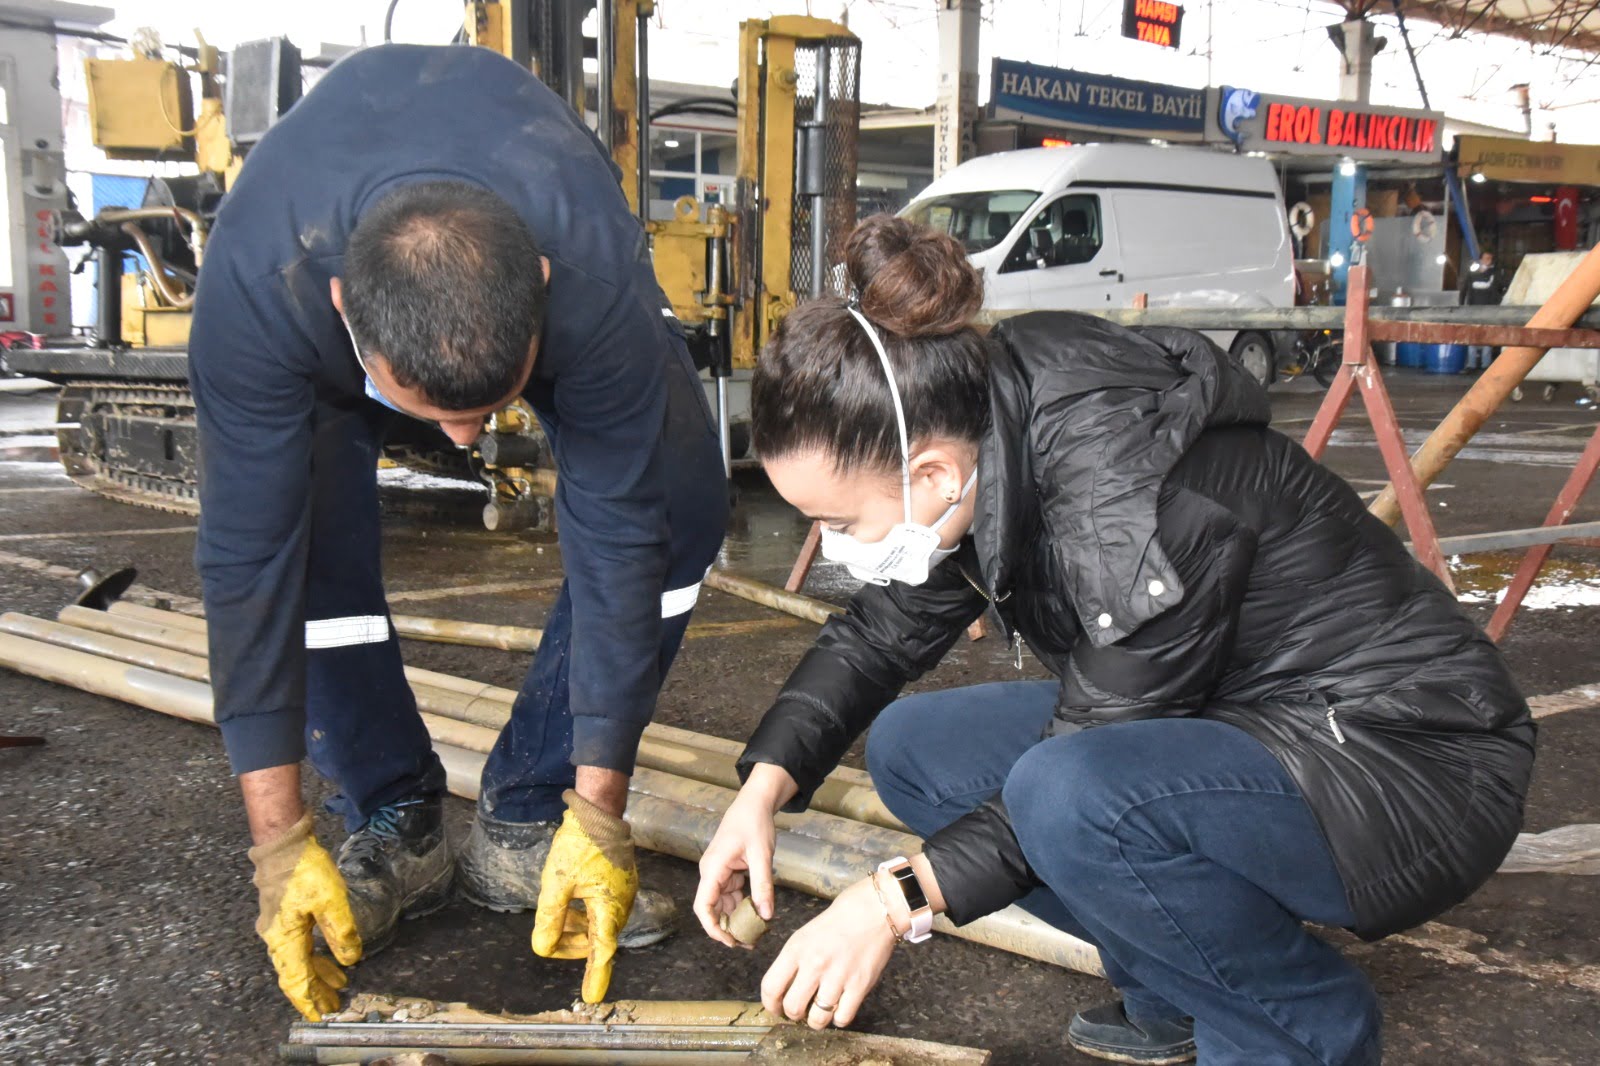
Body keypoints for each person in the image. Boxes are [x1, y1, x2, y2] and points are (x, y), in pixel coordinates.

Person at [694, 216, 1533, 1064]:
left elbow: (1098, 746)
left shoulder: (1128, 501)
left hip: (1407, 759)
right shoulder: (991, 421)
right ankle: (1177, 982)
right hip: (1239, 713)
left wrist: (890, 899)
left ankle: (1299, 1020)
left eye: (838, 521)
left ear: (934, 476)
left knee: (1071, 795)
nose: (835, 546)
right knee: (918, 749)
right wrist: (761, 792)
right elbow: (879, 635)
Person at [187, 44, 726, 1021]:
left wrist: (597, 813)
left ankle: (532, 817)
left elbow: (618, 534)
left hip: (545, 240)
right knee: (301, 537)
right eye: (432, 413)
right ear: (345, 307)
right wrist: (276, 843)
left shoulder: (590, 272)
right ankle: (393, 813)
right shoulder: (261, 286)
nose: (468, 440)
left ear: (545, 285)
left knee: (681, 502)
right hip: (311, 302)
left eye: (493, 405)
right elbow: (244, 562)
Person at [1461, 249, 1505, 370]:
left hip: (1489, 309)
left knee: (1487, 337)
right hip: (1473, 308)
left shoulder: (1495, 273)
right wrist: (1461, 305)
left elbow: (1501, 287)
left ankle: (1485, 364)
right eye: (1486, 258)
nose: (1487, 261)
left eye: (1490, 259)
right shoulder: (1472, 273)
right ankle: (1471, 364)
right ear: (1481, 259)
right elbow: (1464, 289)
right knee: (1472, 336)